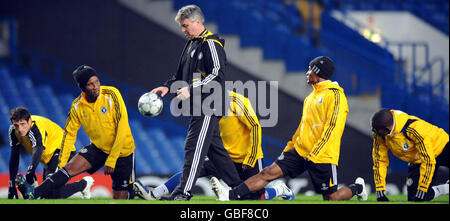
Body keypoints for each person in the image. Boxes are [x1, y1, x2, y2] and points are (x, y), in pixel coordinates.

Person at [211, 56, 368, 201]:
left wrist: (316, 153)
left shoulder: (335, 96)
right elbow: (303, 127)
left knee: (331, 197)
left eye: (310, 69)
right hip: (300, 151)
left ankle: (358, 188)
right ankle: (229, 195)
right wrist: (290, 147)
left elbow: (333, 128)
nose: (307, 73)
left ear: (318, 73)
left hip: (322, 156)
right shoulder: (311, 97)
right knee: (268, 173)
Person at [149, 5, 245, 200]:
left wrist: (192, 89)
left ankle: (183, 193)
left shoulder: (211, 44)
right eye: (181, 27)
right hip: (199, 106)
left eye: (185, 26)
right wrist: (168, 86)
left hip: (208, 105)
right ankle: (244, 191)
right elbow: (180, 74)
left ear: (198, 22)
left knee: (193, 149)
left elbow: (218, 75)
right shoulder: (191, 44)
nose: (183, 30)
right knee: (218, 155)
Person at [134, 90, 294, 200]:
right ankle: (155, 194)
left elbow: (255, 126)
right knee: (192, 170)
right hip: (225, 158)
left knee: (254, 198)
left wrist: (251, 156)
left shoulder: (237, 101)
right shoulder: (205, 107)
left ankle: (279, 189)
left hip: (248, 158)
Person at [17, 65, 136, 199]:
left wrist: (112, 158)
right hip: (99, 148)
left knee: (120, 197)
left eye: (97, 81)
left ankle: (136, 190)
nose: (96, 86)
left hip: (122, 151)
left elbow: (123, 126)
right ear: (83, 87)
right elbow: (69, 135)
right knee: (70, 167)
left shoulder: (112, 94)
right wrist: (60, 167)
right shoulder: (77, 106)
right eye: (91, 84)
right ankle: (34, 193)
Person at [8, 107, 94, 199]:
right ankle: (83, 185)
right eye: (16, 125)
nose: (20, 129)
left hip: (62, 151)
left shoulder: (36, 127)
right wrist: (12, 183)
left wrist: (30, 171)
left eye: (23, 124)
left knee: (50, 192)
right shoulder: (13, 131)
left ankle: (83, 184)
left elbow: (38, 148)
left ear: (29, 121)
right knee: (48, 194)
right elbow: (14, 156)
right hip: (49, 158)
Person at [371, 108, 449, 202]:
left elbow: (428, 160)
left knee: (421, 192)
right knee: (416, 198)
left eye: (377, 131)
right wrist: (380, 191)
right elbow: (379, 161)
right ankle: (446, 188)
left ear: (387, 129)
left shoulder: (412, 128)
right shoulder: (380, 134)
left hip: (442, 146)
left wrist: (422, 188)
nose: (375, 133)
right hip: (418, 159)